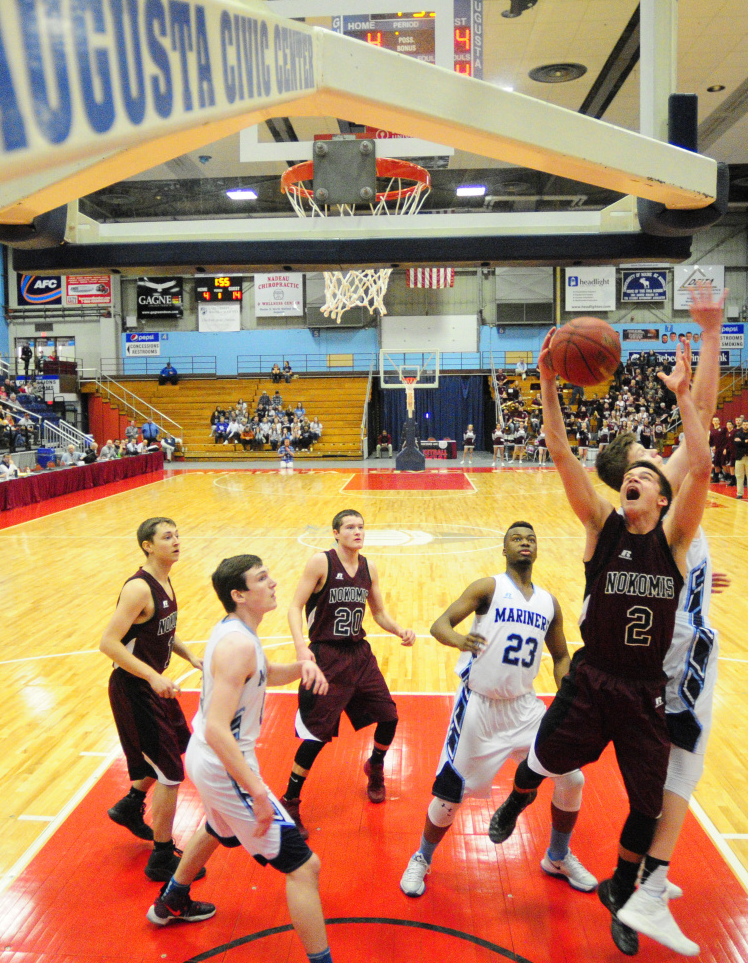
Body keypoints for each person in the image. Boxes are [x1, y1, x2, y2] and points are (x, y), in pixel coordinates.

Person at [488, 329, 712, 957]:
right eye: (631, 474)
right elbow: (560, 451)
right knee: (544, 755)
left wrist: (686, 401)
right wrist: (549, 385)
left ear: (664, 499)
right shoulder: (601, 527)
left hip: (646, 692)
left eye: (648, 474)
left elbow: (699, 464)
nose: (636, 477)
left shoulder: (673, 541)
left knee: (646, 805)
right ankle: (516, 801)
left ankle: (620, 888)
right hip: (593, 678)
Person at [591, 285, 725, 954]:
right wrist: (708, 334)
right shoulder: (651, 498)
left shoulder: (641, 513)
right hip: (675, 664)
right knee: (673, 777)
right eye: (646, 451)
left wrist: (702, 578)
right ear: (636, 475)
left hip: (673, 649)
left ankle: (635, 882)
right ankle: (637, 888)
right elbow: (698, 418)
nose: (659, 449)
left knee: (669, 777)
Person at [146, 556, 336, 963]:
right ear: (239, 594)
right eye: (262, 578)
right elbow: (217, 728)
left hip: (211, 755)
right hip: (221, 760)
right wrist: (258, 791)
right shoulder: (238, 645)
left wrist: (302, 667)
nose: (273, 582)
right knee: (305, 868)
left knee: (217, 826)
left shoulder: (239, 633)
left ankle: (171, 901)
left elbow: (264, 673)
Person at [400, 521, 594, 899]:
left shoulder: (548, 602)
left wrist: (569, 697)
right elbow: (440, 624)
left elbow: (560, 656)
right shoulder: (488, 587)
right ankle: (422, 857)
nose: (525, 543)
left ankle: (556, 856)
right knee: (448, 794)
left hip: (525, 709)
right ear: (504, 549)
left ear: (537, 550)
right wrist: (459, 639)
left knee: (572, 780)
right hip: (480, 706)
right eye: (517, 539)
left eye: (531, 539)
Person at [280, 509, 416, 838]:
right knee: (316, 735)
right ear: (336, 533)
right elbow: (294, 606)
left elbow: (379, 612)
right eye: (350, 527)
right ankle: (290, 800)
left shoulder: (369, 567)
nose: (357, 532)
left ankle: (376, 765)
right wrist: (301, 647)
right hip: (326, 655)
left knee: (389, 716)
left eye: (361, 527)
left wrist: (399, 629)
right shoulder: (321, 563)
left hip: (358, 654)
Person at [100, 517, 205, 882]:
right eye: (167, 536)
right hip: (134, 689)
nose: (176, 541)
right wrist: (153, 675)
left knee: (175, 747)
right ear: (147, 545)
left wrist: (190, 655)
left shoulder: (164, 580)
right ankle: (161, 858)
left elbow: (161, 631)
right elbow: (108, 643)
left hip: (152, 686)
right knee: (170, 774)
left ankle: (131, 806)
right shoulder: (138, 588)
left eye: (177, 533)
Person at [733, 418, 748, 500]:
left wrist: (741, 442)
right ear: (742, 425)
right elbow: (736, 443)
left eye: (747, 424)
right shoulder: (738, 433)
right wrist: (745, 441)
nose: (746, 426)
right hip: (739, 457)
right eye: (744, 424)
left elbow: (739, 443)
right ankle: (739, 493)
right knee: (739, 476)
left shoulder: (739, 436)